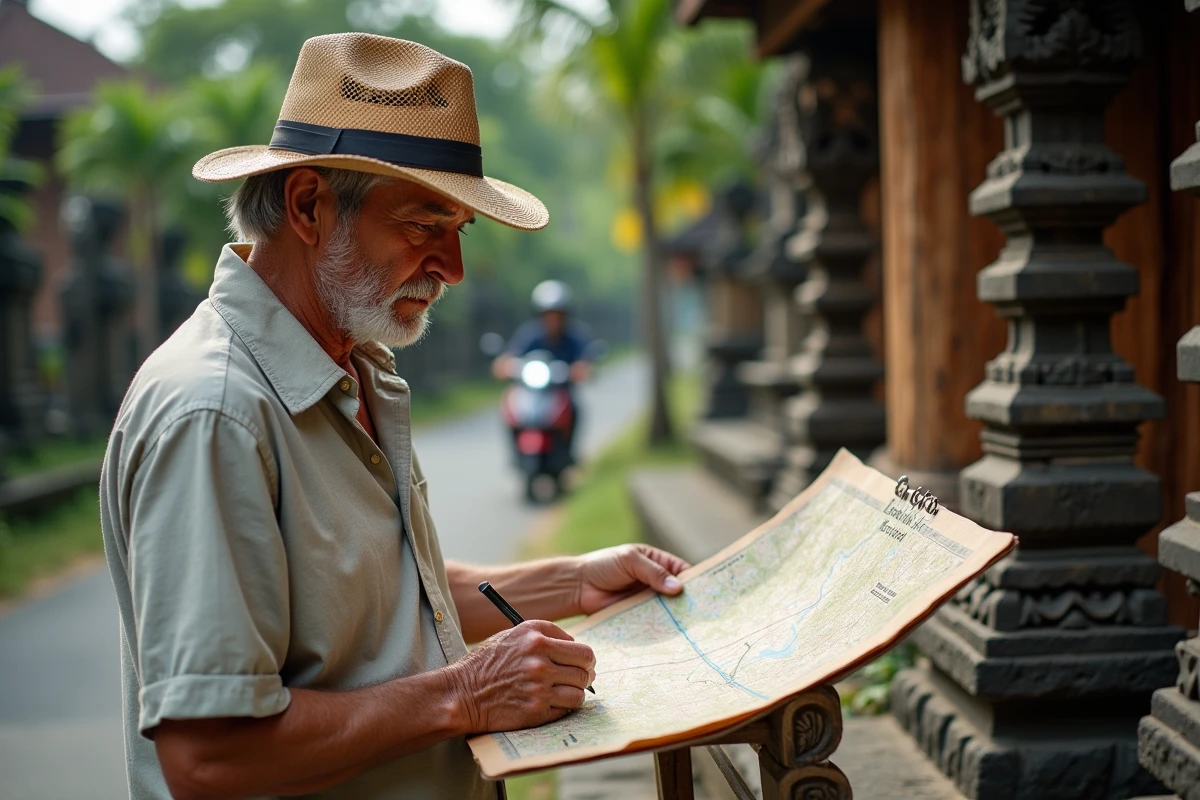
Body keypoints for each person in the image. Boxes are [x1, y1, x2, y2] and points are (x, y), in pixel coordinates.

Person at [98, 34, 688, 800]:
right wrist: (466, 695)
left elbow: (376, 597)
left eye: (458, 230)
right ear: (308, 206)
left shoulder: (350, 366)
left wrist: (571, 580)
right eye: (422, 226)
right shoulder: (215, 414)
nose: (453, 267)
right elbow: (211, 758)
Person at [492, 279, 595, 385]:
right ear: (540, 315)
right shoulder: (529, 334)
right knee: (510, 398)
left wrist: (579, 370)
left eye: (558, 315)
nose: (554, 320)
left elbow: (585, 364)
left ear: (566, 315)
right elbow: (508, 357)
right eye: (548, 315)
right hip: (528, 389)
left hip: (562, 391)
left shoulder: (575, 335)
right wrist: (506, 366)